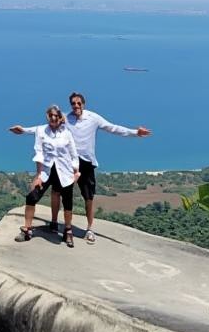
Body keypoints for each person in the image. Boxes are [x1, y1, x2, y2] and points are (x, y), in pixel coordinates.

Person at [10, 91, 150, 244]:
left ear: (83, 104)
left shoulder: (94, 118)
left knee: (88, 197)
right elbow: (44, 127)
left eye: (79, 103)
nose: (76, 106)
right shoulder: (66, 118)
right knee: (57, 192)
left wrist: (135, 132)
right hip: (67, 162)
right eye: (73, 103)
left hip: (86, 162)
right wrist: (23, 130)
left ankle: (89, 229)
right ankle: (54, 223)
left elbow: (113, 128)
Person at [13, 105, 81, 248]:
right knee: (32, 197)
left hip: (65, 172)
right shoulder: (41, 131)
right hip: (47, 171)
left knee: (67, 202)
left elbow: (74, 154)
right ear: (47, 116)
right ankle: (27, 229)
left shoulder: (66, 133)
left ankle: (68, 231)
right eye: (51, 115)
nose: (53, 118)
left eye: (56, 115)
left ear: (60, 117)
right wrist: (38, 175)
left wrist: (76, 172)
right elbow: (39, 153)